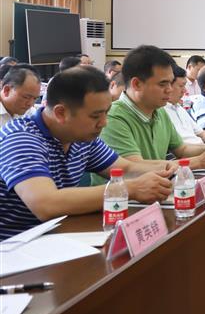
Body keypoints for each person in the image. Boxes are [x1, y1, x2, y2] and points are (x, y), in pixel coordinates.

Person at [0, 67, 173, 240]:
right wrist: (131, 188)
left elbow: (126, 169)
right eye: (95, 116)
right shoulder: (21, 138)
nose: (104, 123)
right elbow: (46, 204)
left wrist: (174, 170)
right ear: (61, 113)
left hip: (59, 235)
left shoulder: (81, 138)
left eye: (106, 113)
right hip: (14, 244)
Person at [97, 45, 205, 185]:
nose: (169, 89)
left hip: (156, 189)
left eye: (170, 83)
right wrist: (198, 162)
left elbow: (182, 149)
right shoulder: (113, 117)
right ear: (137, 84)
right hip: (119, 195)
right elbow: (135, 168)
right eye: (162, 84)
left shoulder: (160, 111)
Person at [1, 64, 41, 129]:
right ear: (7, 90)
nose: (30, 104)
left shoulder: (29, 112)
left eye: (35, 98)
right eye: (26, 97)